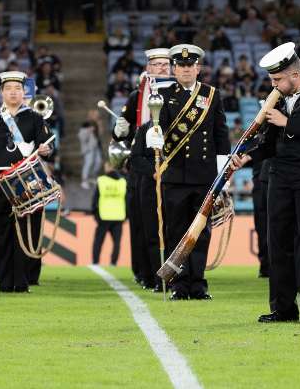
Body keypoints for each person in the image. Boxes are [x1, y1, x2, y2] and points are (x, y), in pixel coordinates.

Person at [230, 43, 300, 324]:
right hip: (279, 174)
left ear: (294, 74)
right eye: (271, 80)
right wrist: (246, 157)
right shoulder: (277, 98)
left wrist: (285, 122)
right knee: (277, 238)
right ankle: (282, 308)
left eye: (278, 80)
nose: (274, 85)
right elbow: (267, 144)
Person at [144, 44, 229, 300]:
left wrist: (222, 172)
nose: (185, 70)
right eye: (180, 66)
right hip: (176, 176)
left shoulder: (211, 95)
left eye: (190, 65)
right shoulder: (163, 95)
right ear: (174, 69)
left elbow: (220, 134)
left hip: (203, 176)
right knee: (177, 230)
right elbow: (158, 127)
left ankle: (198, 283)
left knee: (201, 233)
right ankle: (179, 285)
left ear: (198, 68)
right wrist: (153, 136)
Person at [0, 71, 55, 293]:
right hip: (0, 182)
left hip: (29, 184)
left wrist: (46, 150)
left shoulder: (36, 118)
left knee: (28, 230)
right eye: (9, 89)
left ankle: (23, 281)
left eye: (17, 89)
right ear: (2, 92)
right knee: (1, 231)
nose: (13, 93)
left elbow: (48, 146)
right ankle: (5, 281)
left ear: (23, 91)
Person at [112, 48, 172, 289]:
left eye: (166, 65)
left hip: (171, 167)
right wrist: (120, 129)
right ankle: (146, 273)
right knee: (144, 225)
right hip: (143, 168)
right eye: (157, 65)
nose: (162, 69)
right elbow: (119, 136)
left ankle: (169, 274)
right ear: (148, 68)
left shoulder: (179, 94)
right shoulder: (137, 96)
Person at [92, 162, 127, 265]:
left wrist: (95, 214)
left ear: (107, 167)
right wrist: (126, 215)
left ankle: (95, 262)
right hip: (119, 216)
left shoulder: (101, 180)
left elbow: (95, 199)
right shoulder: (123, 181)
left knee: (98, 241)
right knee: (116, 243)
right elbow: (127, 199)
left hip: (104, 216)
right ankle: (113, 263)